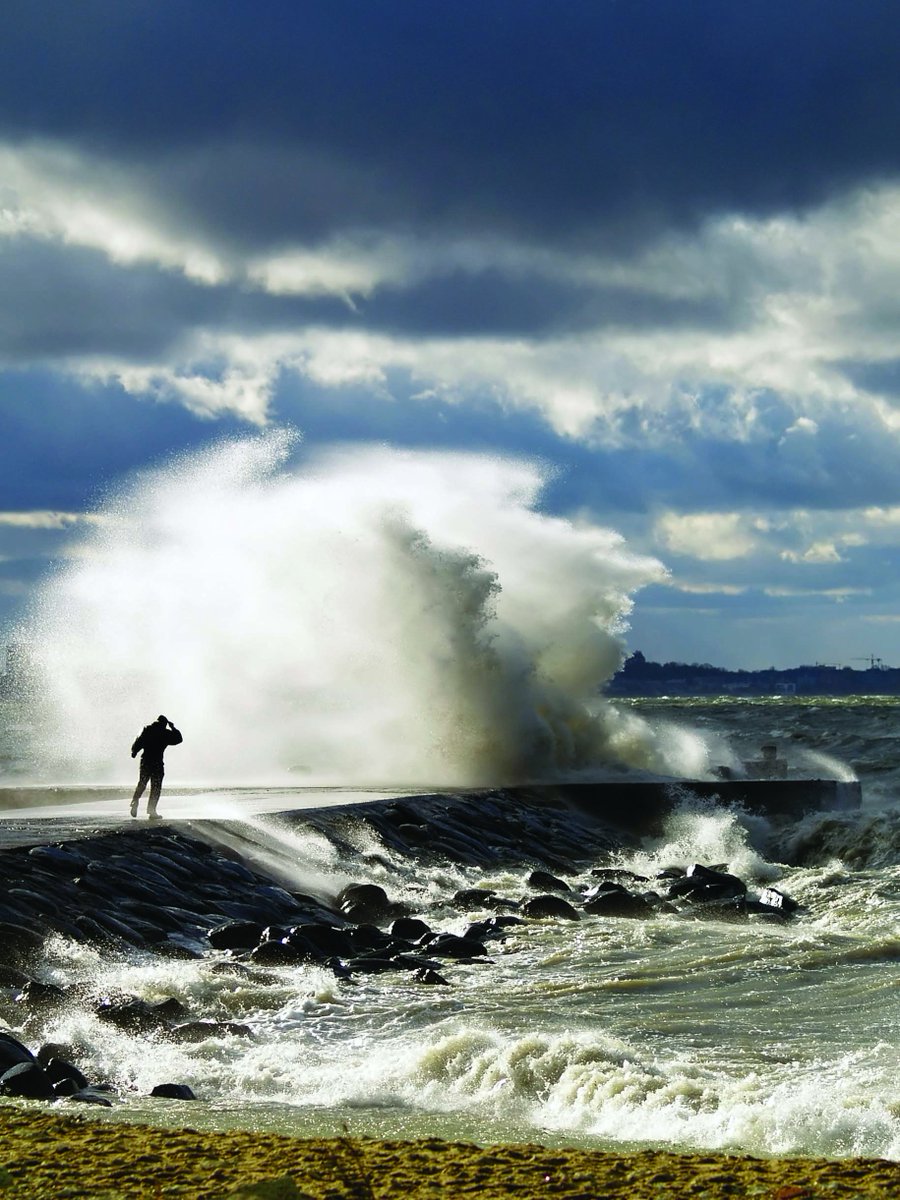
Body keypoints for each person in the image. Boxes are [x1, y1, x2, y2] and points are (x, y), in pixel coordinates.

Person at [130, 714, 183, 820]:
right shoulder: (165, 733)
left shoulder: (147, 730)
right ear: (165, 724)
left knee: (142, 783)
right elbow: (179, 739)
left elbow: (138, 741)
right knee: (156, 787)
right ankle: (152, 811)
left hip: (145, 761)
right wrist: (173, 727)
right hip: (157, 763)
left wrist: (134, 751)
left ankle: (135, 800)